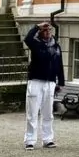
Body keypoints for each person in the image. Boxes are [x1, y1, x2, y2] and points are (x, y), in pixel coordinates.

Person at [23, 21, 65, 150]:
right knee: (33, 112)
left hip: (50, 82)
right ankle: (30, 140)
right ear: (41, 33)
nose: (47, 32)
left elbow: (60, 65)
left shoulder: (56, 46)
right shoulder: (36, 44)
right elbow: (27, 38)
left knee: (48, 113)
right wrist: (37, 26)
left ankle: (48, 139)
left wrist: (61, 82)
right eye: (45, 31)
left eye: (49, 30)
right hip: (36, 81)